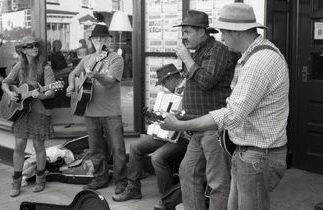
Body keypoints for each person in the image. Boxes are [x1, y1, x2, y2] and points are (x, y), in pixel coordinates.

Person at [161, 3, 289, 210]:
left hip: (257, 154)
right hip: (248, 151)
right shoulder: (251, 57)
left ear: (236, 32)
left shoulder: (258, 62)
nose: (221, 37)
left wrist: (179, 125)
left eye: (223, 32)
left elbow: (231, 114)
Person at [165, 10, 237, 210]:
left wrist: (187, 59)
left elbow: (206, 81)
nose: (184, 36)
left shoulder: (218, 50)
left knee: (217, 181)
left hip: (213, 127)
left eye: (187, 32)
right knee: (187, 172)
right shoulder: (199, 53)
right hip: (197, 127)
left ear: (202, 32)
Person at [112, 64, 189, 210]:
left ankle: (167, 198)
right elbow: (166, 117)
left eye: (164, 83)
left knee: (157, 158)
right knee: (135, 147)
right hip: (167, 134)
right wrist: (155, 118)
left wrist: (177, 120)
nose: (164, 87)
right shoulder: (169, 94)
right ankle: (133, 188)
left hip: (184, 136)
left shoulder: (189, 90)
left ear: (172, 78)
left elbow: (188, 118)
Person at [66, 23, 127, 195]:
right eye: (95, 37)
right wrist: (71, 86)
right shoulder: (87, 59)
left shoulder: (116, 58)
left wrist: (97, 75)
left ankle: (121, 181)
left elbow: (109, 83)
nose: (99, 40)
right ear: (91, 40)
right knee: (96, 149)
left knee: (118, 149)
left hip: (111, 113)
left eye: (102, 37)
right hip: (90, 111)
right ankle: (100, 178)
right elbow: (73, 74)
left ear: (108, 39)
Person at [1, 36, 56, 197]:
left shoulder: (45, 68)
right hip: (21, 112)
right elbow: (5, 83)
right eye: (30, 46)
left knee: (39, 146)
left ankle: (40, 179)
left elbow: (51, 91)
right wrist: (11, 93)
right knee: (19, 146)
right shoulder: (19, 66)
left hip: (38, 111)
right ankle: (16, 182)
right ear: (23, 50)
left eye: (36, 46)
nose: (34, 48)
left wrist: (40, 95)